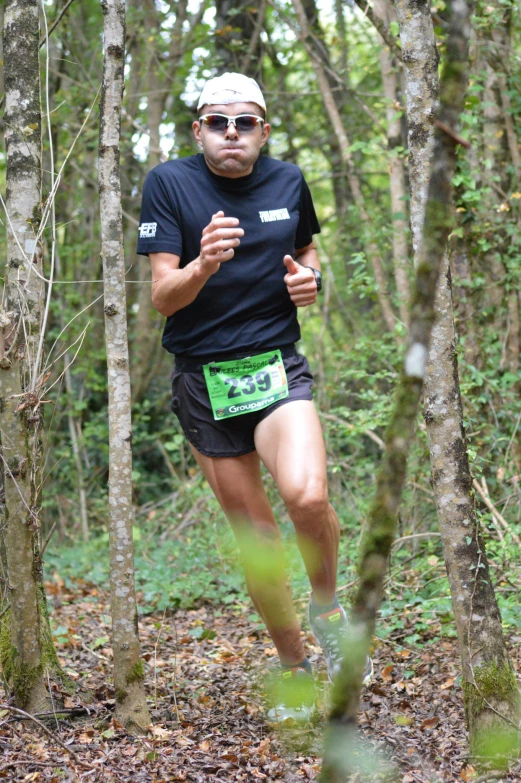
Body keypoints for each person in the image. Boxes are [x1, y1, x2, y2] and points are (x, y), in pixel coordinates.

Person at [137, 72, 371, 723]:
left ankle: (326, 605)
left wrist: (309, 279)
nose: (231, 133)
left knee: (307, 494)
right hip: (203, 379)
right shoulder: (169, 184)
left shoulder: (288, 180)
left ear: (263, 130)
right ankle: (294, 668)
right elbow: (162, 295)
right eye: (218, 121)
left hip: (275, 368)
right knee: (259, 539)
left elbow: (306, 249)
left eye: (245, 122)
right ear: (198, 129)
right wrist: (202, 263)